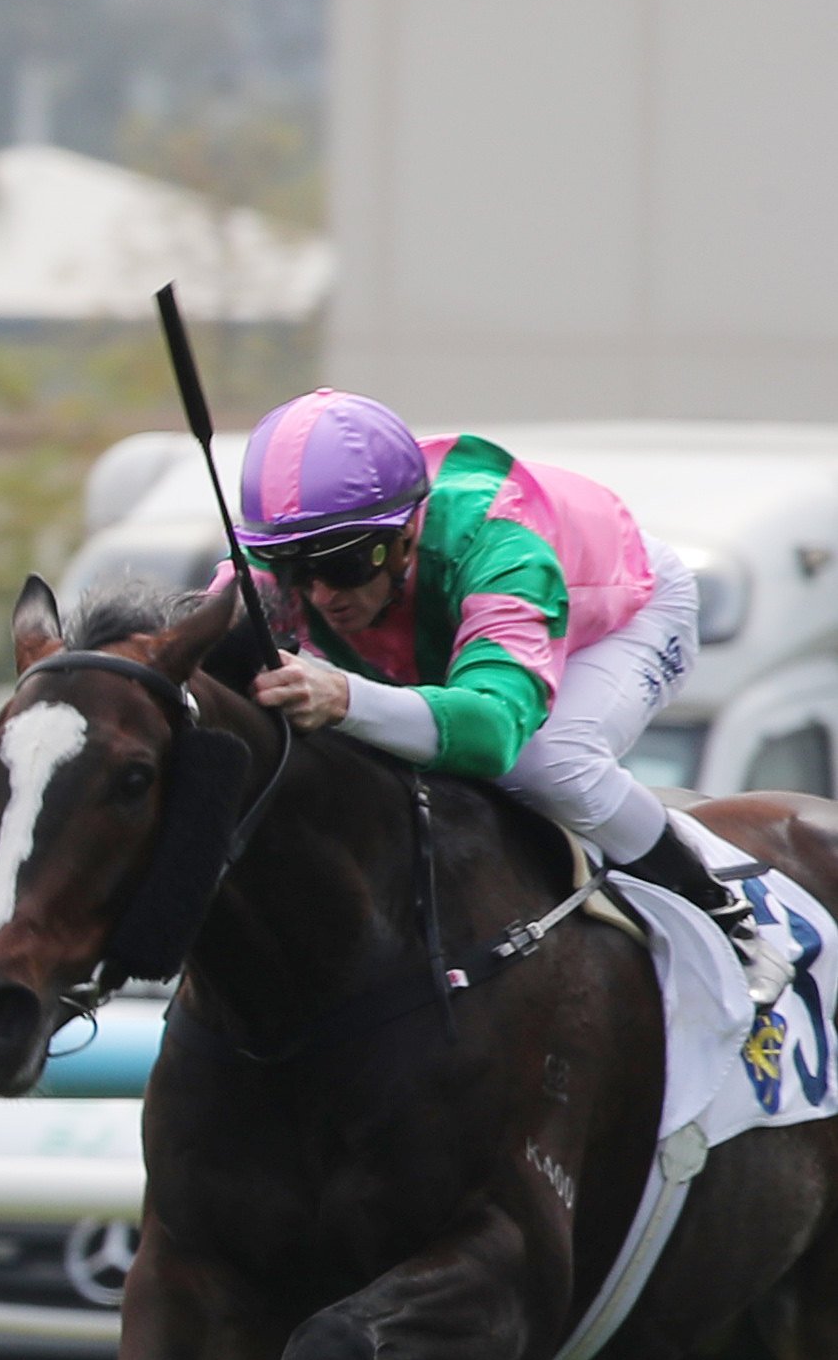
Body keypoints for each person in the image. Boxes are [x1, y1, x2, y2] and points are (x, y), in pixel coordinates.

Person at [225, 387, 792, 1009]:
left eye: (346, 565)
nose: (321, 593)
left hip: (618, 612)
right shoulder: (277, 570)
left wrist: (344, 698)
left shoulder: (501, 547)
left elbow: (493, 731)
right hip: (456, 624)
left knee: (547, 761)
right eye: (292, 566)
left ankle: (724, 913)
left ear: (409, 530)